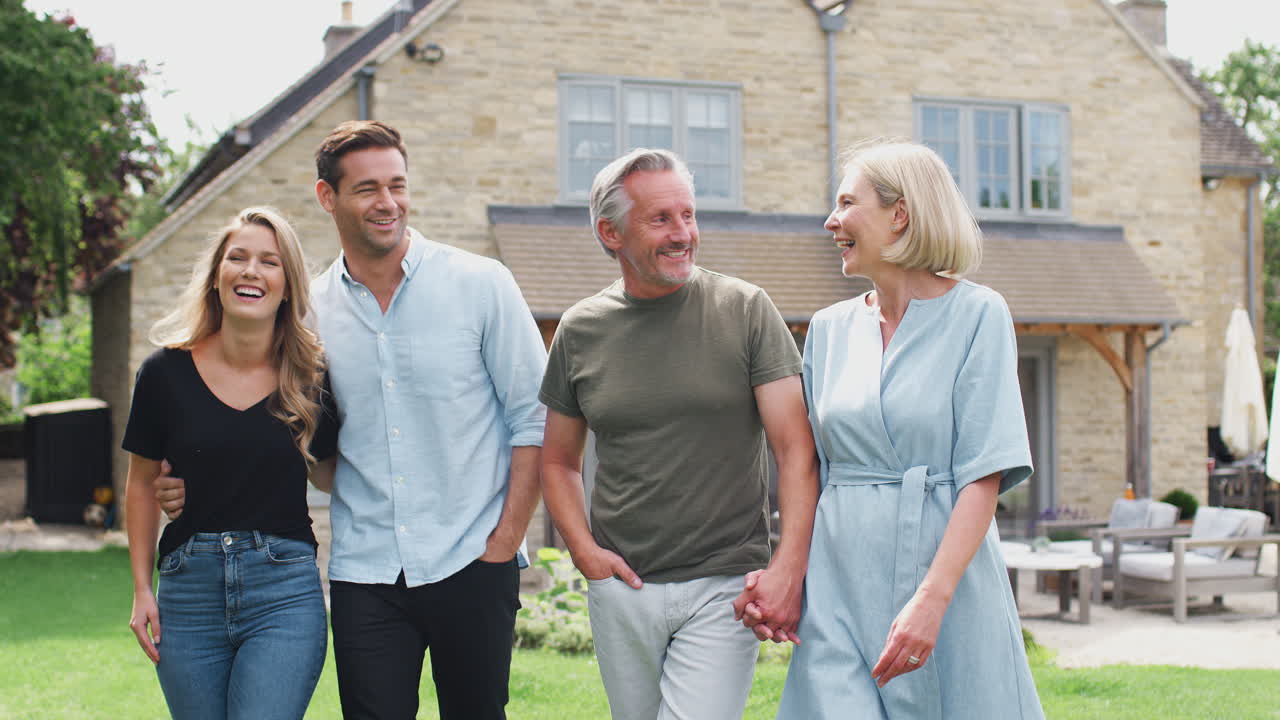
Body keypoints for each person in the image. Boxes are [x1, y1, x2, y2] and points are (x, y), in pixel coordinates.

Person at [155, 120, 548, 720]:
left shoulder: (482, 285)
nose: (388, 203)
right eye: (367, 189)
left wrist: (507, 539)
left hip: (473, 559)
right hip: (366, 573)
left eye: (397, 185)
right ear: (327, 197)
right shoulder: (307, 318)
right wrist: (188, 479)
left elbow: (535, 419)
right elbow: (285, 439)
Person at [756, 139, 1044, 719]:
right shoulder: (830, 329)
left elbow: (983, 475)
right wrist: (788, 573)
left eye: (845, 203)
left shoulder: (979, 315)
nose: (831, 221)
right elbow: (808, 468)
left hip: (946, 579)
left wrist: (932, 600)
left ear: (900, 214)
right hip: (839, 578)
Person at [539, 148, 819, 720]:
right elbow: (558, 462)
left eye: (688, 215)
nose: (683, 234)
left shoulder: (745, 310)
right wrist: (585, 553)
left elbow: (796, 451)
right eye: (661, 219)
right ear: (610, 232)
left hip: (724, 583)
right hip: (624, 585)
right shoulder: (581, 329)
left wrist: (788, 567)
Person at [124, 206, 337, 719]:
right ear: (216, 275)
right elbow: (139, 484)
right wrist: (140, 590)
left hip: (283, 594)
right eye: (237, 257)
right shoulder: (164, 372)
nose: (250, 270)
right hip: (187, 593)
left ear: (287, 286)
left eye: (269, 261)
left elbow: (331, 474)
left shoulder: (310, 376)